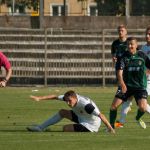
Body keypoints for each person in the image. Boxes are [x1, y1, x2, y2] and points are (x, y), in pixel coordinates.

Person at [27, 90, 115, 133]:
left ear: (75, 98)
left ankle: (42, 128)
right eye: (66, 101)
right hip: (81, 117)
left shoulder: (86, 105)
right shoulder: (69, 97)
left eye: (69, 101)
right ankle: (40, 128)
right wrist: (39, 98)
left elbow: (101, 115)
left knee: (65, 129)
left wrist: (110, 128)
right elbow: (55, 96)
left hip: (91, 125)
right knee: (62, 112)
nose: (68, 103)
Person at [109, 37, 150, 129]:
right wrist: (122, 84)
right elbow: (119, 73)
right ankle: (111, 127)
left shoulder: (142, 55)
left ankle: (137, 118)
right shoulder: (123, 57)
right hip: (126, 86)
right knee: (113, 107)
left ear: (136, 45)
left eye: (132, 44)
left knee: (143, 107)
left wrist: (147, 72)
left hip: (139, 87)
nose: (130, 46)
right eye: (128, 44)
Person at [111, 24, 132, 128]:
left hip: (128, 73)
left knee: (123, 93)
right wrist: (114, 59)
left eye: (122, 30)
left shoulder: (129, 43)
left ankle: (116, 124)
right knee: (124, 92)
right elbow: (113, 56)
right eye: (119, 30)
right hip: (119, 70)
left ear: (126, 32)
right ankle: (120, 122)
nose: (120, 32)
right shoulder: (115, 43)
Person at [141, 26, 150, 95]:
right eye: (146, 34)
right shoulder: (143, 48)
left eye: (149, 34)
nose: (147, 36)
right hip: (145, 79)